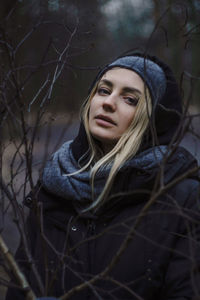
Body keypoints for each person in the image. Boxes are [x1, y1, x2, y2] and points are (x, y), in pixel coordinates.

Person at [6, 53, 200, 300]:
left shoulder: (181, 198)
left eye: (130, 99)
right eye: (103, 90)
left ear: (154, 119)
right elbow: (20, 288)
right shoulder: (54, 186)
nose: (108, 102)